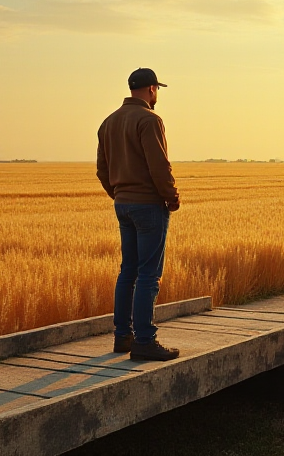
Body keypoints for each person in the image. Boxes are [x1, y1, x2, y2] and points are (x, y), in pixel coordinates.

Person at [96, 68, 181, 361]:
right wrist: (171, 197)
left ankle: (123, 337)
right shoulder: (150, 120)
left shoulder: (108, 122)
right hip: (148, 206)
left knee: (128, 271)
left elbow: (102, 170)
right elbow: (159, 165)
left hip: (123, 206)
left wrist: (119, 195)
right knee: (148, 275)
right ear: (152, 89)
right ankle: (144, 341)